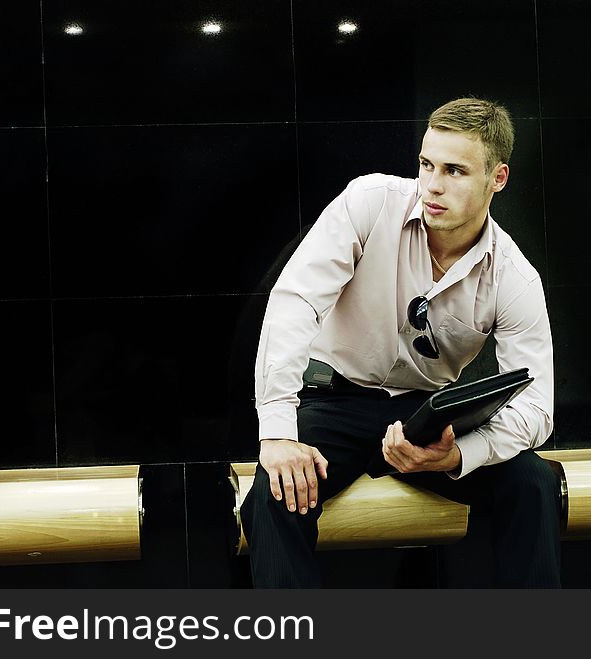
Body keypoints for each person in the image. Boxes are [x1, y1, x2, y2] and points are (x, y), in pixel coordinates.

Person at [240, 97, 561, 588]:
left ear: (497, 179)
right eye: (426, 164)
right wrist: (279, 432)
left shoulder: (514, 278)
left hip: (424, 418)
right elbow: (295, 303)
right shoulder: (370, 202)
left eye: (455, 170)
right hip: (334, 402)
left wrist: (458, 456)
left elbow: (537, 409)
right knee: (273, 494)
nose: (432, 185)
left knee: (535, 483)